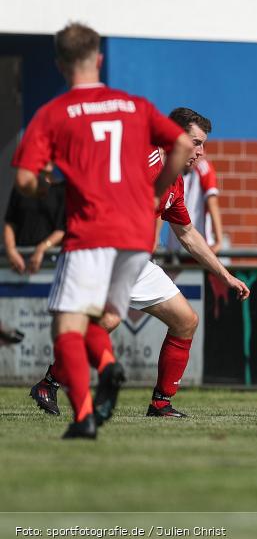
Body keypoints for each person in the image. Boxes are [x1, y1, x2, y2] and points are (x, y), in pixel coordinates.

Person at [11, 22, 192, 439]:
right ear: (100, 59)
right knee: (101, 320)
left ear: (59, 64)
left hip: (92, 230)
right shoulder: (133, 106)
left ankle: (90, 406)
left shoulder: (53, 113)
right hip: (135, 237)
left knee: (68, 327)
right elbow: (180, 146)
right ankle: (103, 382)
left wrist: (47, 184)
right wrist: (160, 190)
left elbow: (23, 181)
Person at [30, 108, 250, 420]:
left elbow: (187, 233)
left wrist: (225, 275)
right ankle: (50, 383)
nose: (200, 152)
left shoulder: (175, 181)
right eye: (195, 142)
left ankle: (160, 404)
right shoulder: (140, 159)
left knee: (185, 321)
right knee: (107, 321)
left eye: (203, 145)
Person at [164, 118, 222, 253]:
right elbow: (163, 204)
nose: (199, 153)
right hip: (178, 246)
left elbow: (212, 202)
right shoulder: (175, 169)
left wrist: (219, 240)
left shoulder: (203, 168)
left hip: (199, 243)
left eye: (201, 148)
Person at [4, 163, 65, 274]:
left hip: (49, 262)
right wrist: (11, 250)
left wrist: (41, 249)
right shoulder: (22, 187)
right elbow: (10, 222)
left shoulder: (60, 190)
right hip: (19, 261)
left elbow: (61, 230)